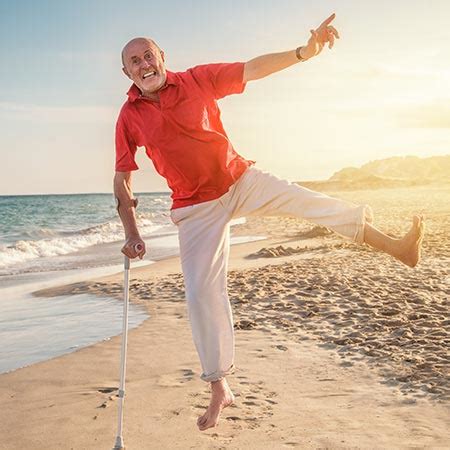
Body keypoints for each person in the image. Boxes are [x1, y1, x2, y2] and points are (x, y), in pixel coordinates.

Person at [113, 13, 424, 431]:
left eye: (148, 55)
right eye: (134, 61)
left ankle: (395, 247)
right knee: (201, 296)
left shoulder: (197, 80)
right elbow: (122, 177)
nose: (143, 64)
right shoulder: (128, 116)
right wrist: (132, 232)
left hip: (239, 180)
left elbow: (252, 69)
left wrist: (304, 52)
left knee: (307, 201)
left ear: (162, 57)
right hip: (194, 208)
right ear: (126, 71)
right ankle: (219, 387)